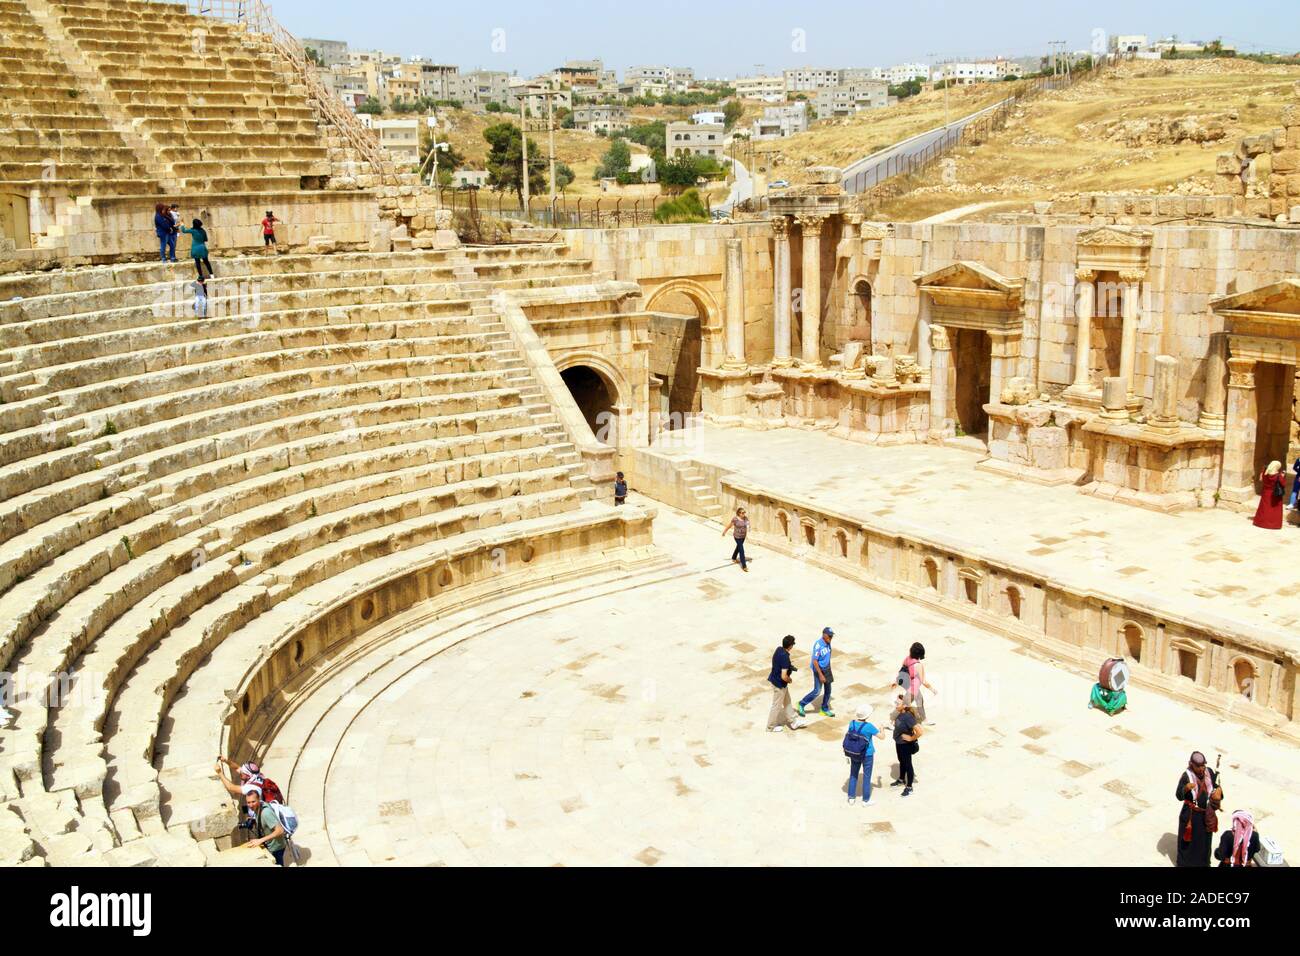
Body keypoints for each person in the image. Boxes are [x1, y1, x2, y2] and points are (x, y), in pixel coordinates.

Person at [1175, 751, 1222, 867]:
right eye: (1198, 766)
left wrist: (1219, 793)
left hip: (1206, 815)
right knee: (1188, 843)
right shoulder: (1186, 776)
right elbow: (1178, 796)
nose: (1201, 769)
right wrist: (1185, 788)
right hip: (1191, 815)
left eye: (1203, 766)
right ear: (1191, 765)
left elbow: (1216, 787)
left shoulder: (1209, 772)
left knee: (1205, 842)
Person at [843, 706, 883, 805]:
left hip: (854, 753)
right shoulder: (869, 726)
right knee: (867, 777)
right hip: (867, 754)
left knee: (853, 774)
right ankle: (866, 800)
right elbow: (882, 737)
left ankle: (851, 797)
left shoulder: (851, 723)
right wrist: (882, 729)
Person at [766, 635, 805, 732]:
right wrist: (789, 679)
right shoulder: (785, 658)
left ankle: (793, 722)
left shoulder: (779, 649)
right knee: (776, 706)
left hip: (776, 680)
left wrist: (789, 666)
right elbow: (784, 676)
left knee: (787, 702)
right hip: (779, 685)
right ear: (791, 646)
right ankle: (770, 727)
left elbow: (778, 663)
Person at [797, 627, 834, 718]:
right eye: (829, 636)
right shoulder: (818, 645)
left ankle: (824, 709)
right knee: (817, 691)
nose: (830, 638)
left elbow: (827, 656)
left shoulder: (828, 643)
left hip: (826, 669)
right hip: (819, 670)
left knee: (828, 690)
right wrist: (821, 674)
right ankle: (801, 704)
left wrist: (828, 668)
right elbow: (815, 661)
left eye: (831, 636)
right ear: (824, 635)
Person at [244, 789, 287, 866]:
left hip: (276, 848)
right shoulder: (258, 808)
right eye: (248, 802)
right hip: (271, 845)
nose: (251, 805)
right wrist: (254, 820)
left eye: (253, 801)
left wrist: (260, 840)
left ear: (259, 799)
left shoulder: (265, 812)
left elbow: (280, 830)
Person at [891, 694, 921, 796]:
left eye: (897, 703)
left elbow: (920, 732)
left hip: (905, 745)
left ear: (904, 705)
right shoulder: (900, 713)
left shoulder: (908, 717)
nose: (895, 704)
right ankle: (901, 779)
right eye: (895, 702)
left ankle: (909, 787)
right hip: (899, 743)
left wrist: (910, 738)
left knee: (908, 765)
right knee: (901, 761)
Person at [899, 642, 937, 724]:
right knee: (904, 705)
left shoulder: (907, 658)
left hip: (908, 685)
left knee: (920, 701)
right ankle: (890, 722)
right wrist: (933, 690)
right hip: (913, 688)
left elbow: (903, 668)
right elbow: (923, 681)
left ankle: (924, 720)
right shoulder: (918, 665)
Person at [1253, 460, 1285, 529]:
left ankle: (1261, 522)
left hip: (1265, 493)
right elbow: (1283, 484)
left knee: (1264, 508)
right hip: (1274, 495)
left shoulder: (1265, 473)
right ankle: (1273, 524)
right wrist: (1282, 476)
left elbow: (1262, 480)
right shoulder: (1278, 476)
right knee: (1273, 510)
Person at [721, 506, 749, 572]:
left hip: (743, 536)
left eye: (744, 512)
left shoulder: (746, 518)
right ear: (739, 513)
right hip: (737, 537)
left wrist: (746, 535)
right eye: (742, 513)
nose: (744, 514)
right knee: (741, 550)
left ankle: (733, 558)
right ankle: (744, 566)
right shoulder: (735, 519)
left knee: (738, 547)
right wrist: (724, 532)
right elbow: (729, 525)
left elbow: (746, 526)